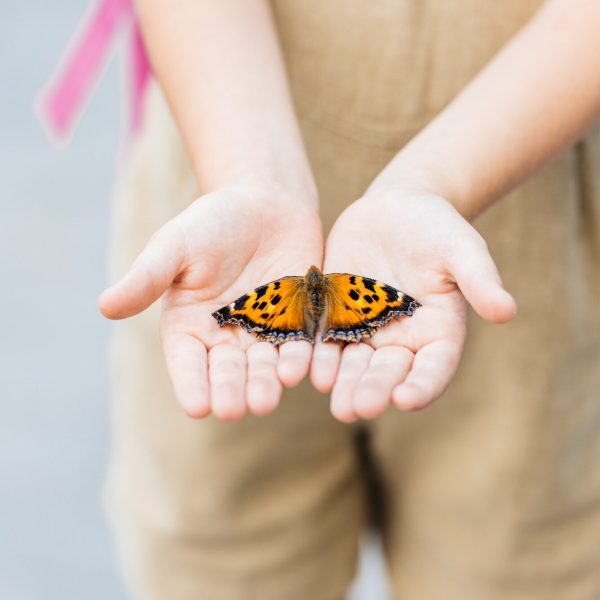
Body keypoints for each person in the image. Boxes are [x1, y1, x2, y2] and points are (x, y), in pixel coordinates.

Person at [96, 1, 600, 598]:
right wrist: (247, 174)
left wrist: (433, 182)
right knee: (226, 560)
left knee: (517, 565)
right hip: (222, 187)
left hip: (542, 229)